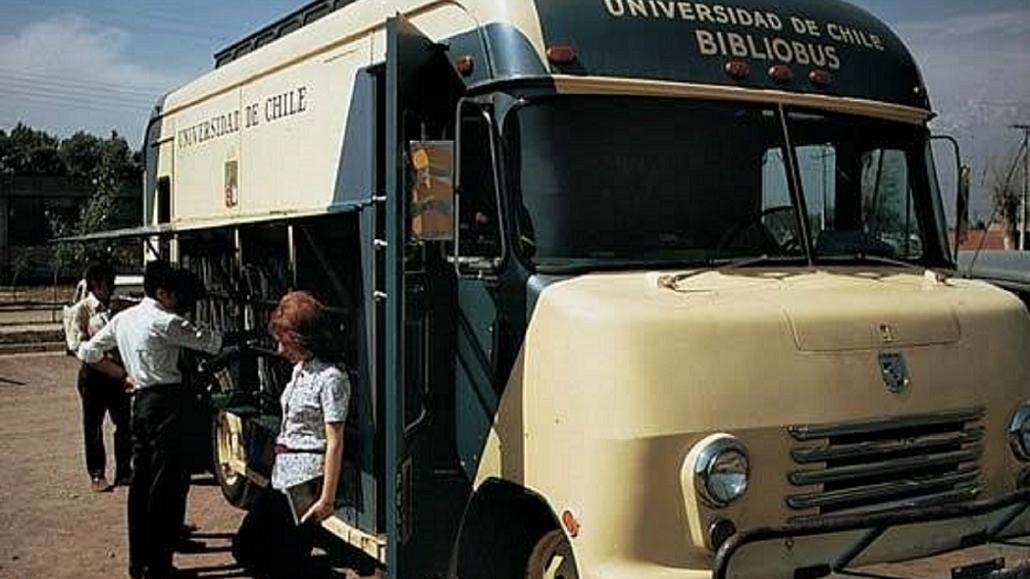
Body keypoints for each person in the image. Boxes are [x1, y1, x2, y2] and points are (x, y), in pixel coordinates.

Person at [78, 260, 223, 579]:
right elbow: (213, 343)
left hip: (140, 403)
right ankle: (158, 567)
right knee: (164, 488)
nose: (178, 303)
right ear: (163, 292)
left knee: (140, 487)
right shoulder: (166, 321)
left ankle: (138, 563)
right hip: (167, 406)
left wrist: (124, 375)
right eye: (175, 296)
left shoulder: (124, 318)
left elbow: (87, 352)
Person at [234, 291, 350, 578]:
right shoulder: (299, 370)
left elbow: (335, 440)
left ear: (302, 340)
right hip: (282, 475)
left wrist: (326, 498)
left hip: (304, 480)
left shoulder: (331, 378)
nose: (279, 349)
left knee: (279, 559)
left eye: (284, 342)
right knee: (251, 549)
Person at [64, 261, 132, 492]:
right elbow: (76, 345)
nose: (111, 289)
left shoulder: (118, 307)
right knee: (93, 426)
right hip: (94, 375)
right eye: (107, 284)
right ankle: (97, 474)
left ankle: (124, 470)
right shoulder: (81, 310)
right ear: (95, 285)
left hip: (118, 375)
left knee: (124, 424)